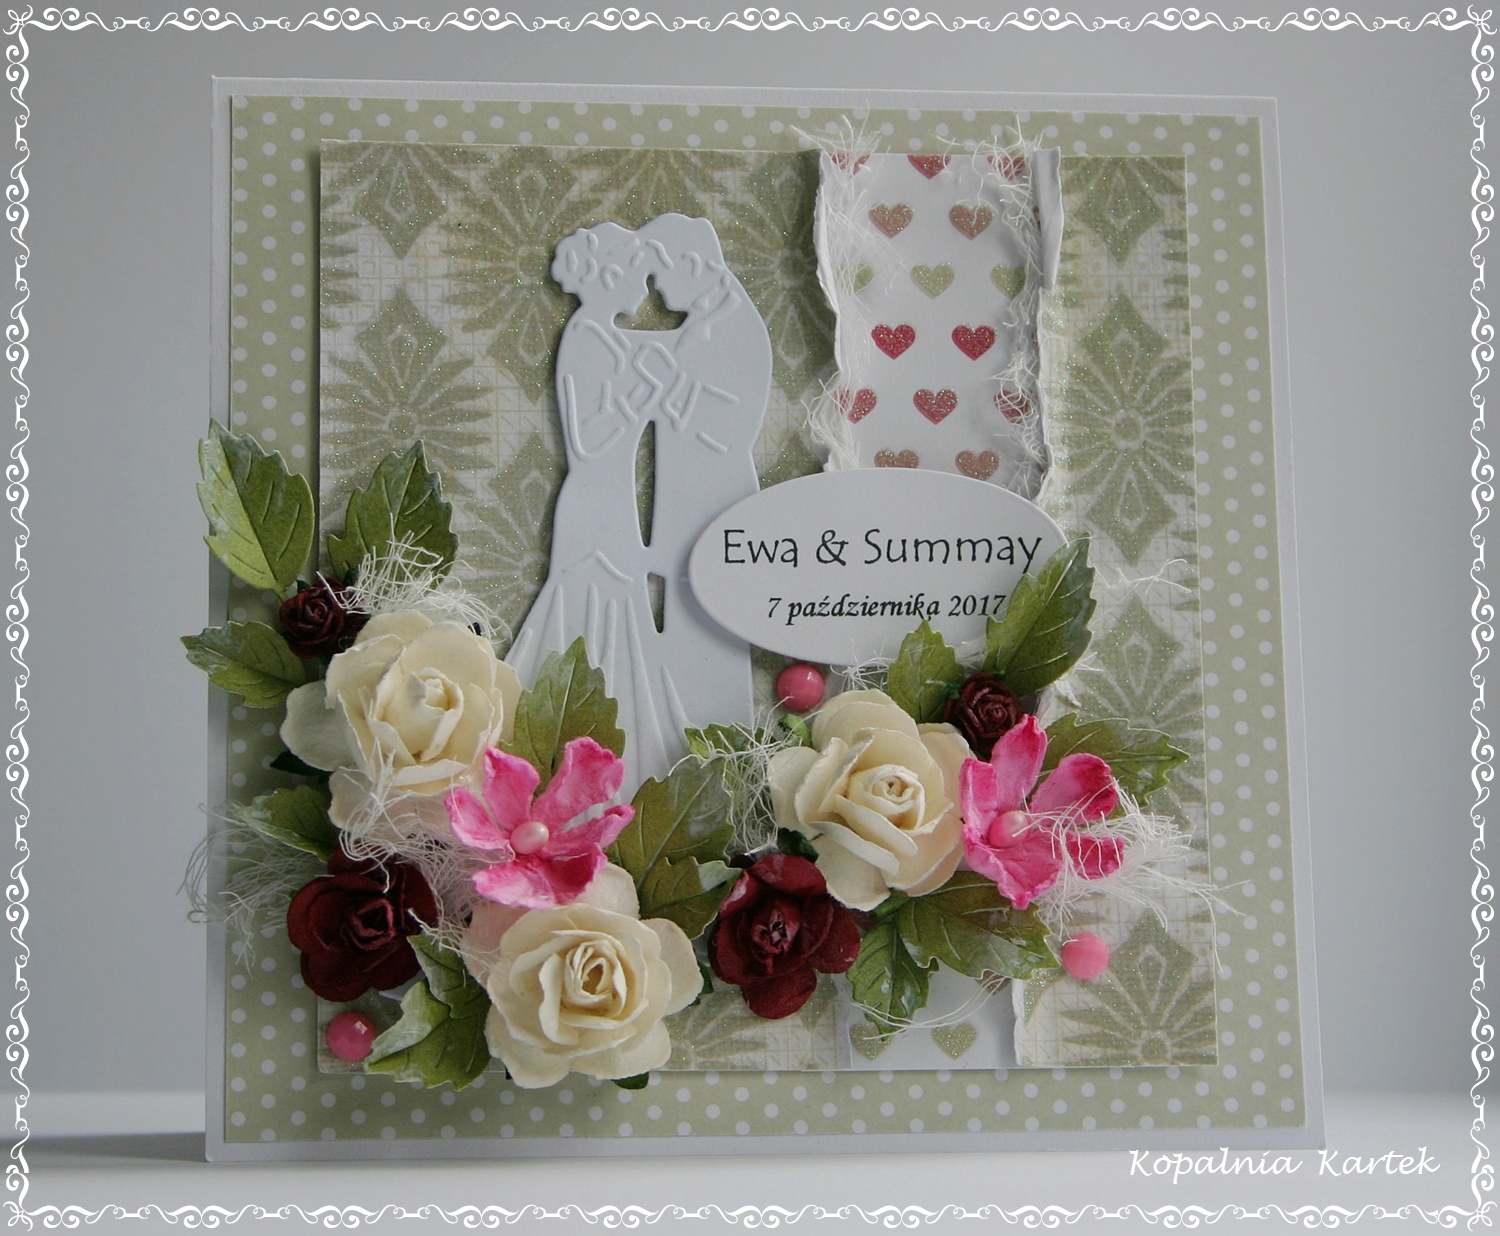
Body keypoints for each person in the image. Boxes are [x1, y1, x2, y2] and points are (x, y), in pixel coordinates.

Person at [509, 215, 771, 792]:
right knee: (621, 622)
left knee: (707, 627)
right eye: (644, 274)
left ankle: (710, 754)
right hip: (636, 509)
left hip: (709, 503)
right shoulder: (600, 334)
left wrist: (662, 386)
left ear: (695, 267)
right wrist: (650, 385)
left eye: (662, 273)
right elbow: (599, 425)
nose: (655, 289)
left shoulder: (730, 325)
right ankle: (634, 752)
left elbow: (726, 421)